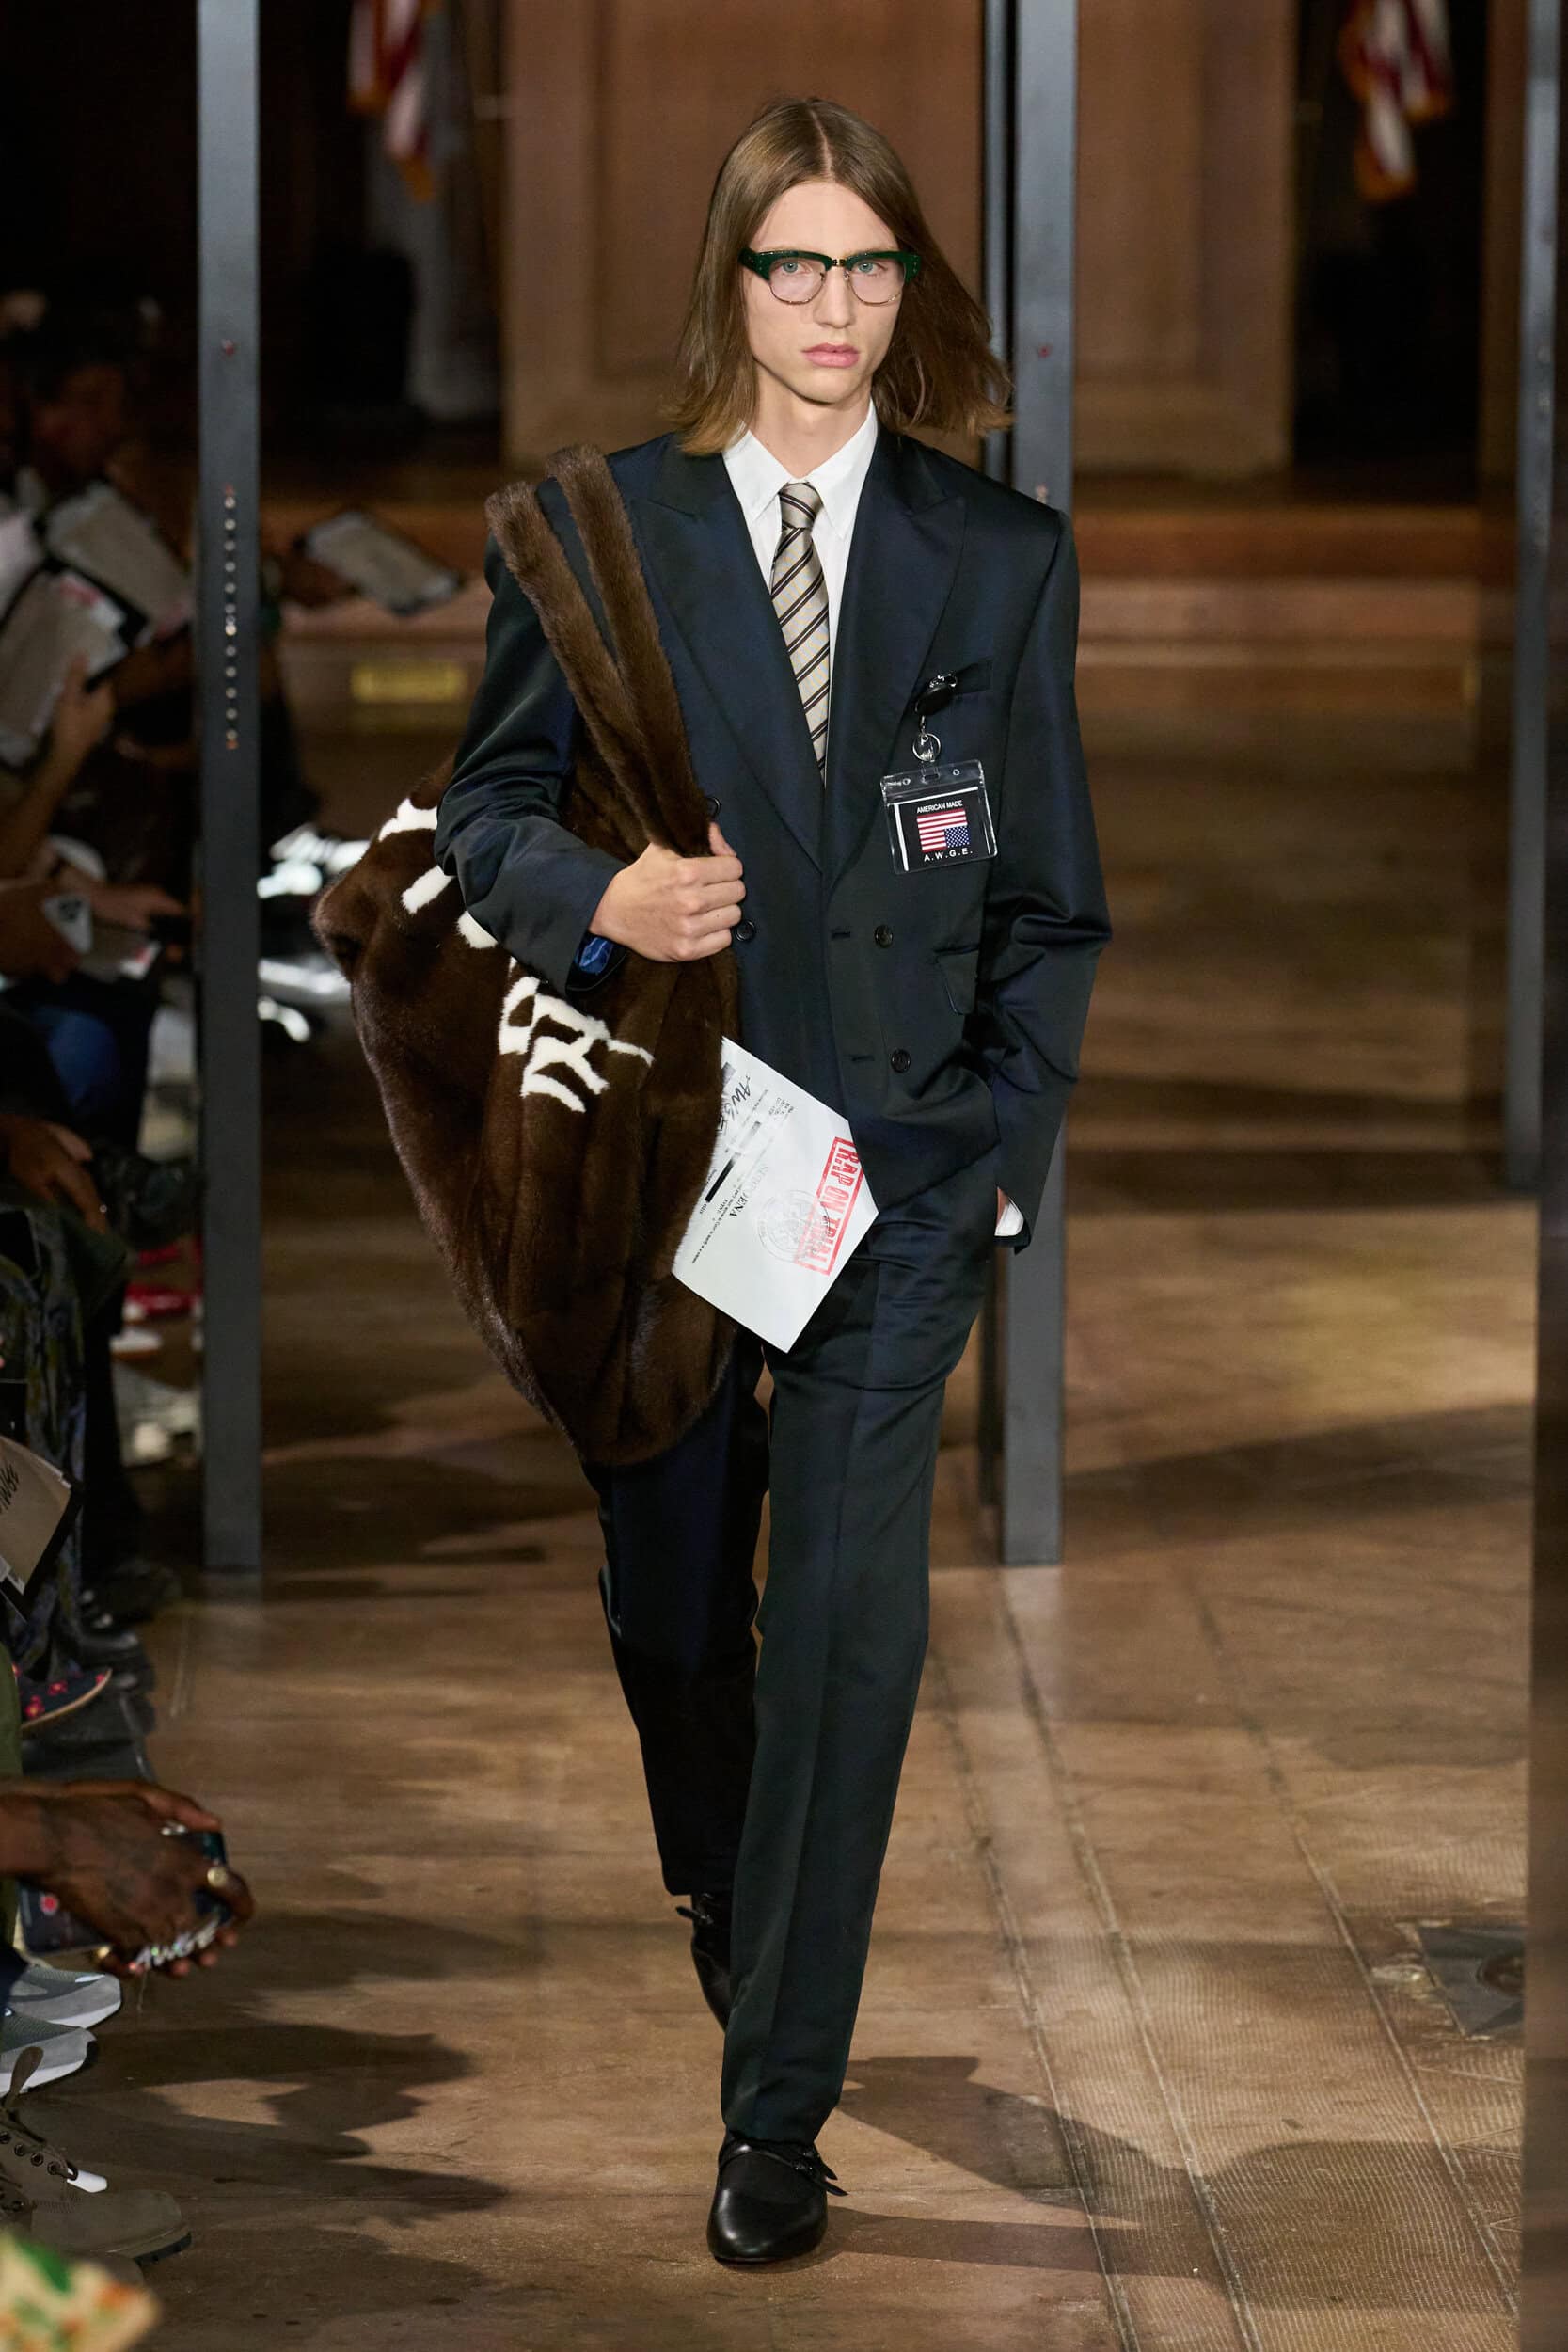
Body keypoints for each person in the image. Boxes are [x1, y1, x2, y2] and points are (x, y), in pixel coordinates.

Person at [435, 96, 1109, 2265]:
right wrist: (601, 895)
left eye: (872, 265)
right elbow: (481, 818)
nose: (836, 307)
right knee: (677, 1616)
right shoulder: (600, 534)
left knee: (843, 1632)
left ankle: (776, 2113)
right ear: (729, 284)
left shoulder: (996, 555)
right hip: (667, 1174)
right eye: (795, 264)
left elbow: (1052, 897)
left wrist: (996, 1152)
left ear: (912, 286)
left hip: (896, 1181)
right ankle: (732, 1876)